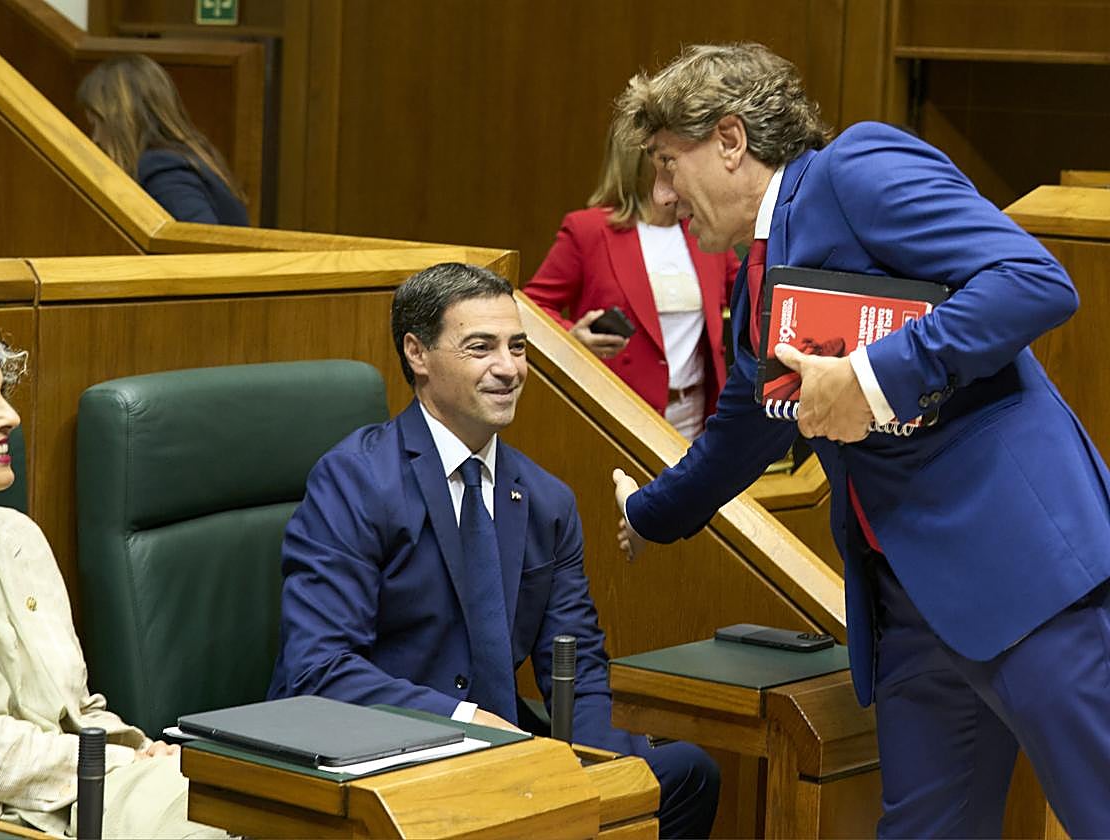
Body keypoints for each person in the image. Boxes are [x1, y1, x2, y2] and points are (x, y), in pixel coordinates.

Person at [610, 43, 1110, 838]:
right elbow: (747, 421)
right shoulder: (754, 277)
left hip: (1024, 577)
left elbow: (1032, 282)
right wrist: (652, 511)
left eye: (670, 163)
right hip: (907, 606)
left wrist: (872, 380)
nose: (664, 196)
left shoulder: (856, 170)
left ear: (732, 140)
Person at [268, 262, 719, 838]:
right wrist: (464, 724)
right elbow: (320, 668)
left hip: (508, 760)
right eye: (481, 347)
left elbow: (577, 670)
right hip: (385, 762)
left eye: (518, 347)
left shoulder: (545, 500)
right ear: (418, 353)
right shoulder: (356, 481)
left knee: (684, 776)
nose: (509, 369)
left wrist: (606, 775)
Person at [0, 310, 222, 838]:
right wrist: (105, 765)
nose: (10, 416)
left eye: (3, 393)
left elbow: (76, 707)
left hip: (91, 787)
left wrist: (139, 748)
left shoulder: (18, 537)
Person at [524, 126, 740, 439]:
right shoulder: (588, 231)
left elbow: (752, 291)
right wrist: (573, 338)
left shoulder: (705, 231)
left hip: (696, 417)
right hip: (620, 416)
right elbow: (532, 309)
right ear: (643, 160)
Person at [77, 54, 249, 226]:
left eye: (98, 124)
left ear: (123, 121)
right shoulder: (191, 155)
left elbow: (201, 242)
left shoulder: (162, 169)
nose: (95, 138)